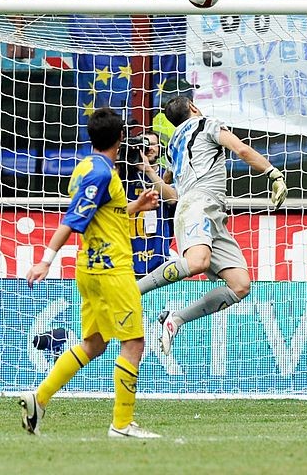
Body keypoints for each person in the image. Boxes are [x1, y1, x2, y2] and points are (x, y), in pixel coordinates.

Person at [20, 107, 161, 439]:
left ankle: (39, 399)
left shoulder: (85, 167)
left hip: (89, 269)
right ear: (121, 137)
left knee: (93, 343)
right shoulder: (102, 175)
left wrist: (135, 206)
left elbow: (104, 214)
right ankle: (122, 424)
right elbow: (73, 219)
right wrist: (46, 259)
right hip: (112, 270)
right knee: (134, 343)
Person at [134, 96, 288, 355]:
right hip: (199, 206)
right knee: (197, 262)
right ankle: (132, 291)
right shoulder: (207, 124)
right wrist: (273, 173)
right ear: (194, 108)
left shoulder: (174, 145)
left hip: (208, 212)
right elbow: (242, 150)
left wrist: (151, 172)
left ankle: (176, 319)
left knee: (240, 285)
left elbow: (173, 194)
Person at [127, 130, 176, 276]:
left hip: (157, 249)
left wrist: (148, 170)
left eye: (152, 144)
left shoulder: (166, 175)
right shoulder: (125, 175)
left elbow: (172, 199)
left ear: (160, 148)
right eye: (144, 144)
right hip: (127, 250)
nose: (148, 148)